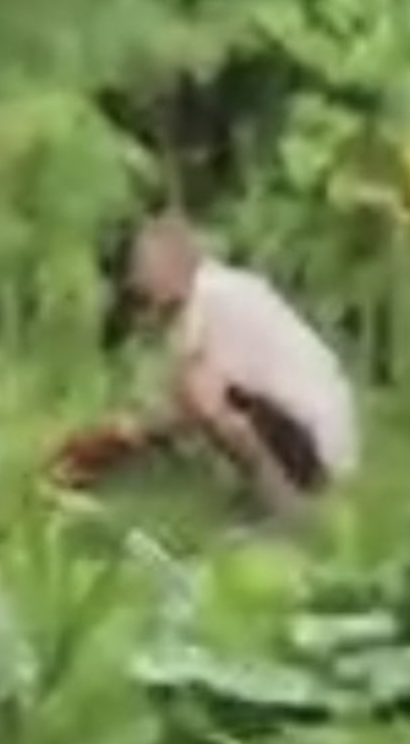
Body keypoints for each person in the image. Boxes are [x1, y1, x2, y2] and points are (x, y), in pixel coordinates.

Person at [49, 216, 360, 521]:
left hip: (314, 441)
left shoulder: (213, 298)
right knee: (197, 398)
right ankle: (256, 500)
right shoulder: (220, 291)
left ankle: (289, 512)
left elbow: (192, 404)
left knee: (198, 393)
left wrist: (119, 438)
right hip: (308, 432)